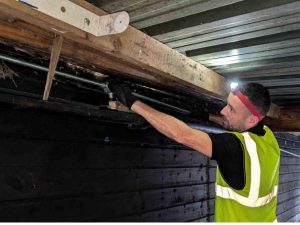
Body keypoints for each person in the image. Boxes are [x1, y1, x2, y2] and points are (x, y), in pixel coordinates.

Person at [109, 82, 280, 222]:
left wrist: (132, 102)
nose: (222, 111)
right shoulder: (268, 137)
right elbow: (238, 125)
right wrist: (208, 117)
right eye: (227, 104)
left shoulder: (235, 148)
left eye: (231, 109)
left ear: (252, 119)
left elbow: (182, 134)